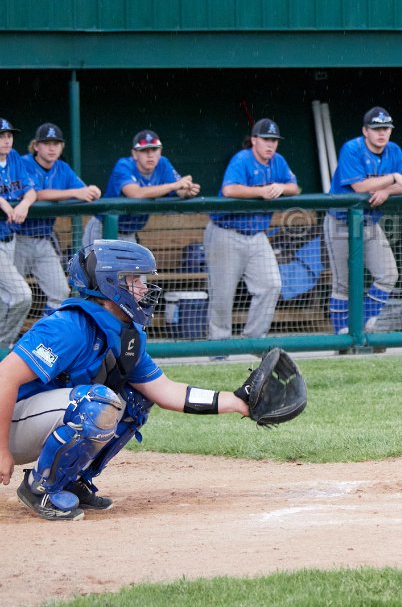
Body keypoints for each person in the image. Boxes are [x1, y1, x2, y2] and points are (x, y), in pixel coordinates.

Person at [0, 240, 250, 521]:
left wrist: (237, 402)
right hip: (8, 427)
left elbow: (165, 391)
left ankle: (68, 480)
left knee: (135, 400)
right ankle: (40, 489)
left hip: (35, 423)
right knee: (97, 402)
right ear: (109, 283)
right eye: (133, 279)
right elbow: (4, 376)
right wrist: (1, 450)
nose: (144, 287)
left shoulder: (126, 335)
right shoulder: (68, 326)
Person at [205, 118, 300, 339]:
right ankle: (219, 348)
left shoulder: (278, 161)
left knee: (271, 285)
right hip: (226, 232)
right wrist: (261, 192)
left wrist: (281, 187)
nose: (271, 144)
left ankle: (253, 340)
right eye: (266, 139)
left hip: (257, 235)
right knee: (222, 295)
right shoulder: (242, 159)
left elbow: (295, 187)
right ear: (254, 140)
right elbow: (229, 190)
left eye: (274, 140)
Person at [324, 107, 402, 334]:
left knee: (388, 275)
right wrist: (393, 178)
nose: (382, 133)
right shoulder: (352, 148)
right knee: (343, 284)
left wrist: (386, 190)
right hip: (341, 221)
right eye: (376, 128)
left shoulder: (394, 150)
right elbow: (360, 186)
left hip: (369, 222)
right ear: (365, 131)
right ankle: (341, 336)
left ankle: (361, 326)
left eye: (386, 128)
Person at [16, 123, 102, 313]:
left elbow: (82, 190)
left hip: (43, 240)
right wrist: (75, 192)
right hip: (17, 239)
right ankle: (6, 332)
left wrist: (91, 190)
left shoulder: (62, 168)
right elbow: (37, 194)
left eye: (56, 143)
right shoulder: (23, 163)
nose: (52, 148)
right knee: (12, 296)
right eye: (46, 143)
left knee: (61, 292)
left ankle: (46, 330)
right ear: (36, 146)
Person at [83, 129, 200, 246]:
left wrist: (187, 191)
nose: (150, 155)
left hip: (129, 234)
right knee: (96, 259)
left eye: (154, 149)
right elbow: (136, 193)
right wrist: (174, 185)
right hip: (104, 229)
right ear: (134, 154)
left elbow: (179, 190)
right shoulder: (124, 165)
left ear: (160, 151)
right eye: (144, 150)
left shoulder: (163, 164)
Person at [0, 117, 37, 349]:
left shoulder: (13, 157)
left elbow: (30, 190)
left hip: (10, 238)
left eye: (9, 136)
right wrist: (4, 204)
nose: (6, 140)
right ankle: (4, 345)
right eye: (1, 136)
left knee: (4, 299)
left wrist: (24, 204)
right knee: (21, 295)